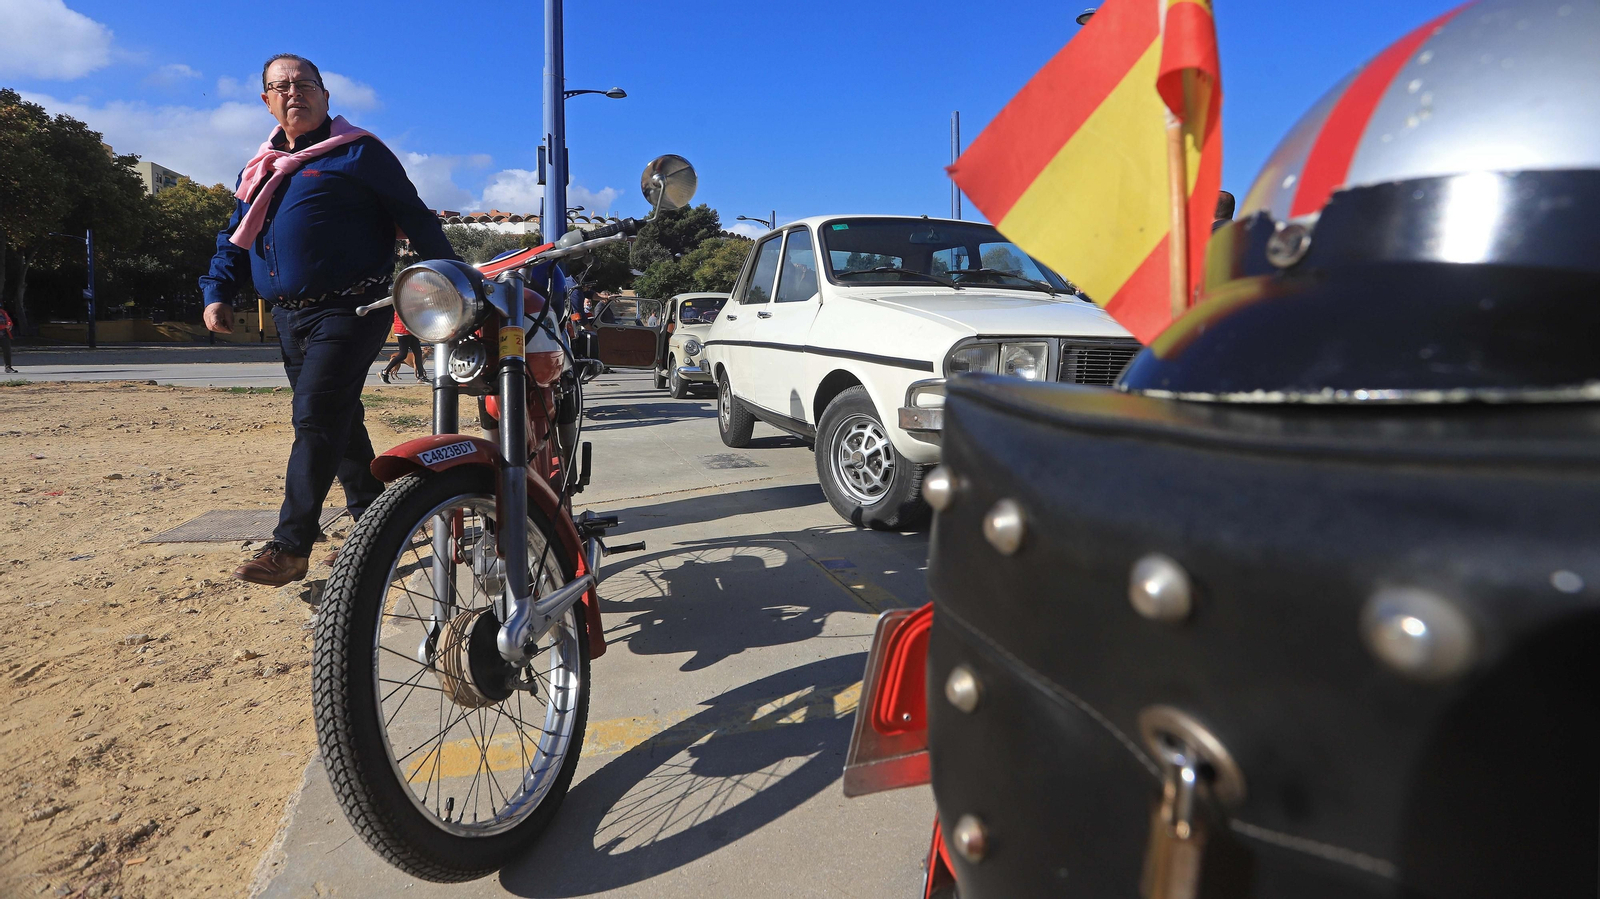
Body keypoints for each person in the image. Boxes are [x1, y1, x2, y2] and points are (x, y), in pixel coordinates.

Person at [200, 53, 458, 587]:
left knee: (315, 417)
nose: (293, 92)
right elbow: (235, 238)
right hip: (289, 317)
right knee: (338, 418)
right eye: (281, 86)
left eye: (304, 83)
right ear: (266, 101)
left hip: (351, 308)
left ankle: (291, 546)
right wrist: (217, 291)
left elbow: (416, 219)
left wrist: (455, 282)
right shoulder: (259, 167)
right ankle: (376, 519)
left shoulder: (359, 152)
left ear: (324, 94)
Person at [381, 310, 426, 383]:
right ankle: (385, 371)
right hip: (403, 331)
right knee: (403, 354)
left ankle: (421, 376)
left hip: (411, 330)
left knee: (418, 353)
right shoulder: (402, 305)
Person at [0, 305, 15, 373]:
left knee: (7, 351)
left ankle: (8, 367)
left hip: (4, 335)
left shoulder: (2, 312)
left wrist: (9, 325)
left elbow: (9, 320)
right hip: (3, 330)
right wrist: (4, 326)